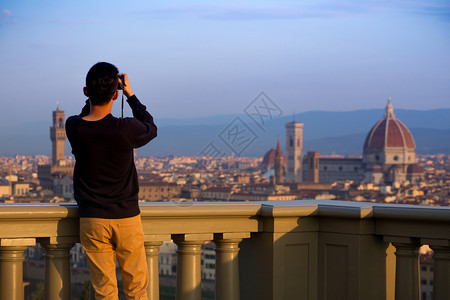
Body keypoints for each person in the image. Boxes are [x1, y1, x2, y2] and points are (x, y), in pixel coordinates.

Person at [66, 62, 157, 299]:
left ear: (85, 92)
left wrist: (96, 94)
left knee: (104, 291)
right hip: (126, 217)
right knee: (136, 289)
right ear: (115, 95)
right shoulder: (125, 128)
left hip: (92, 219)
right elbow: (150, 127)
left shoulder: (74, 127)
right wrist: (130, 95)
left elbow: (86, 114)